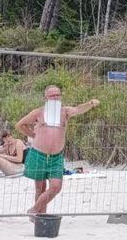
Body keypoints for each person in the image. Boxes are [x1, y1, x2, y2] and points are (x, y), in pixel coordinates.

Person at [16, 86, 100, 217]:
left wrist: (90, 104)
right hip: (38, 154)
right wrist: (33, 135)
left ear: (60, 96)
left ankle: (33, 210)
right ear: (46, 98)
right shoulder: (38, 112)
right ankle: (41, 217)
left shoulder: (65, 112)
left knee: (56, 187)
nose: (55, 97)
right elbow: (20, 124)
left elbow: (78, 109)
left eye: (57, 95)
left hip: (56, 157)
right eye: (52, 95)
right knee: (40, 188)